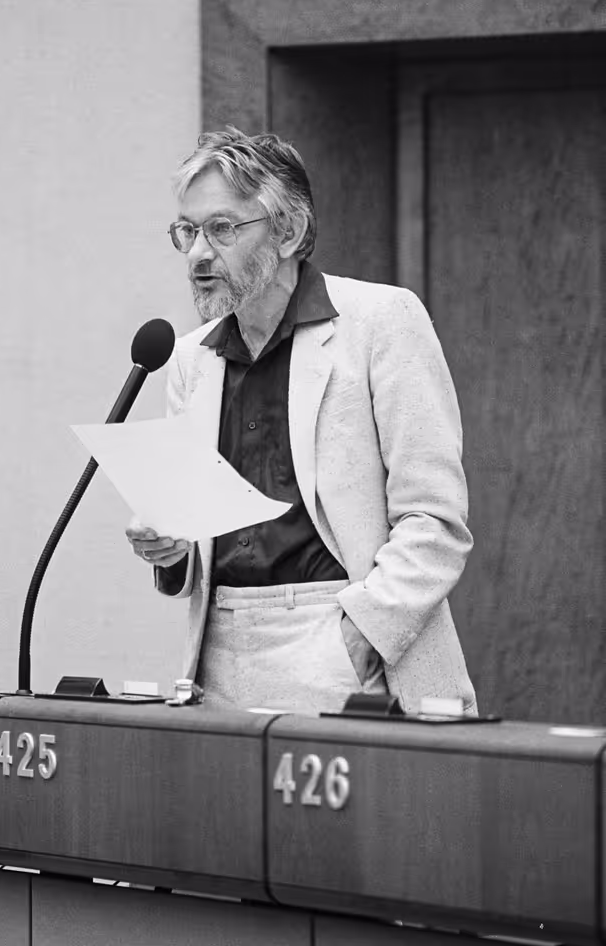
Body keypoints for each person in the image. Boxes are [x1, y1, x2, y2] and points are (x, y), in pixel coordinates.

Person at [126, 126, 476, 715]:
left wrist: (361, 635)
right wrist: (170, 546)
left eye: (221, 228)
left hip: (344, 633)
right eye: (186, 232)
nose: (197, 254)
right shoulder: (188, 359)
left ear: (287, 232)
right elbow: (196, 550)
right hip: (217, 650)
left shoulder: (381, 321)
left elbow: (434, 520)